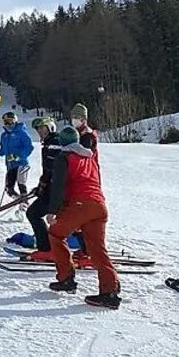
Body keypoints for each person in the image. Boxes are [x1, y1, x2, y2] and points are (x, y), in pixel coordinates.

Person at [43, 125, 120, 309]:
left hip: (80, 203)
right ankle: (110, 292)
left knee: (55, 234)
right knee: (97, 250)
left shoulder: (64, 157)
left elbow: (59, 186)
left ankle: (66, 278)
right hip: (99, 205)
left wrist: (53, 211)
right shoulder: (90, 157)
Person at [22, 116, 61, 261]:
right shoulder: (48, 144)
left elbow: (53, 170)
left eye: (42, 128)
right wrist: (41, 186)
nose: (40, 131)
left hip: (56, 190)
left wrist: (44, 184)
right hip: (51, 189)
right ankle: (47, 247)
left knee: (34, 213)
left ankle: (46, 248)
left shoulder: (54, 144)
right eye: (38, 129)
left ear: (50, 127)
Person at [68, 103, 99, 258]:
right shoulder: (76, 133)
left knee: (82, 215)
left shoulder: (88, 136)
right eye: (73, 117)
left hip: (87, 177)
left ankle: (89, 249)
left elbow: (85, 153)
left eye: (78, 118)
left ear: (84, 119)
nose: (75, 120)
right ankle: (85, 247)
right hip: (77, 177)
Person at [0, 111, 34, 203]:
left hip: (21, 163)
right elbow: (3, 151)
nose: (8, 124)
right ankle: (20, 201)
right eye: (5, 122)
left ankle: (24, 200)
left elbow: (29, 147)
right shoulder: (4, 136)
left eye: (10, 122)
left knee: (21, 182)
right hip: (10, 165)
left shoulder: (21, 132)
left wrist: (18, 156)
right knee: (8, 188)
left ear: (15, 121)